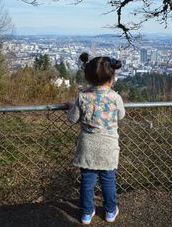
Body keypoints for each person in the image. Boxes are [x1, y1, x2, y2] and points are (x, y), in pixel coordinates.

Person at [67, 53, 125, 225]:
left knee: (87, 180)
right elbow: (121, 115)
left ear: (89, 77)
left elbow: (72, 119)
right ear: (111, 78)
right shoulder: (115, 97)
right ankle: (109, 211)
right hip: (108, 146)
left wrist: (71, 107)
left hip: (88, 146)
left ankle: (86, 213)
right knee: (108, 180)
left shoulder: (83, 97)